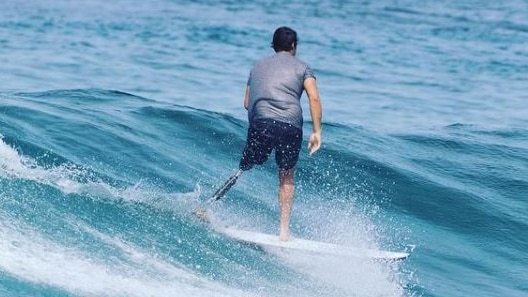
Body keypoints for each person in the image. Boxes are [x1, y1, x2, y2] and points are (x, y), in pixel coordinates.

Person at [237, 26, 323, 241]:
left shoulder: (256, 67)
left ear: (273, 45)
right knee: (286, 176)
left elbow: (247, 103)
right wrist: (316, 132)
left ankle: (211, 202)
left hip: (261, 123)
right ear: (294, 46)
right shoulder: (304, 68)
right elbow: (313, 98)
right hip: (290, 126)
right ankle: (284, 233)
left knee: (245, 166)